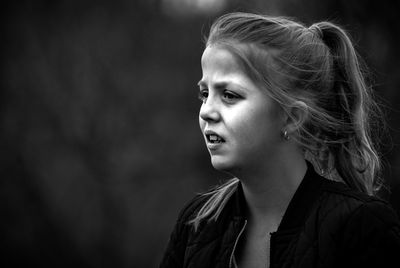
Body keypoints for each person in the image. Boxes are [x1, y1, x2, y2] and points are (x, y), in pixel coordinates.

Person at [159, 12, 400, 268]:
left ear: (292, 117)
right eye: (204, 93)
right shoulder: (197, 224)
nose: (207, 110)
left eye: (229, 95)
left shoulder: (361, 226)